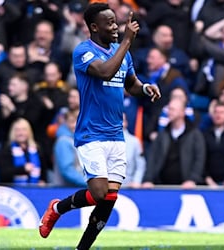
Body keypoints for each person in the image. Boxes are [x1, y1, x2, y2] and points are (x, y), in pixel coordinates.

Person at [38, 4, 161, 250]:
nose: (115, 27)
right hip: (91, 134)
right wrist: (127, 40)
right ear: (94, 27)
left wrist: (145, 88)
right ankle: (57, 208)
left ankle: (82, 248)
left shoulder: (122, 52)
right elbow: (105, 72)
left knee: (109, 198)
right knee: (99, 192)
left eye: (116, 22)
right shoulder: (83, 51)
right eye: (109, 23)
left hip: (116, 135)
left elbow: (131, 83)